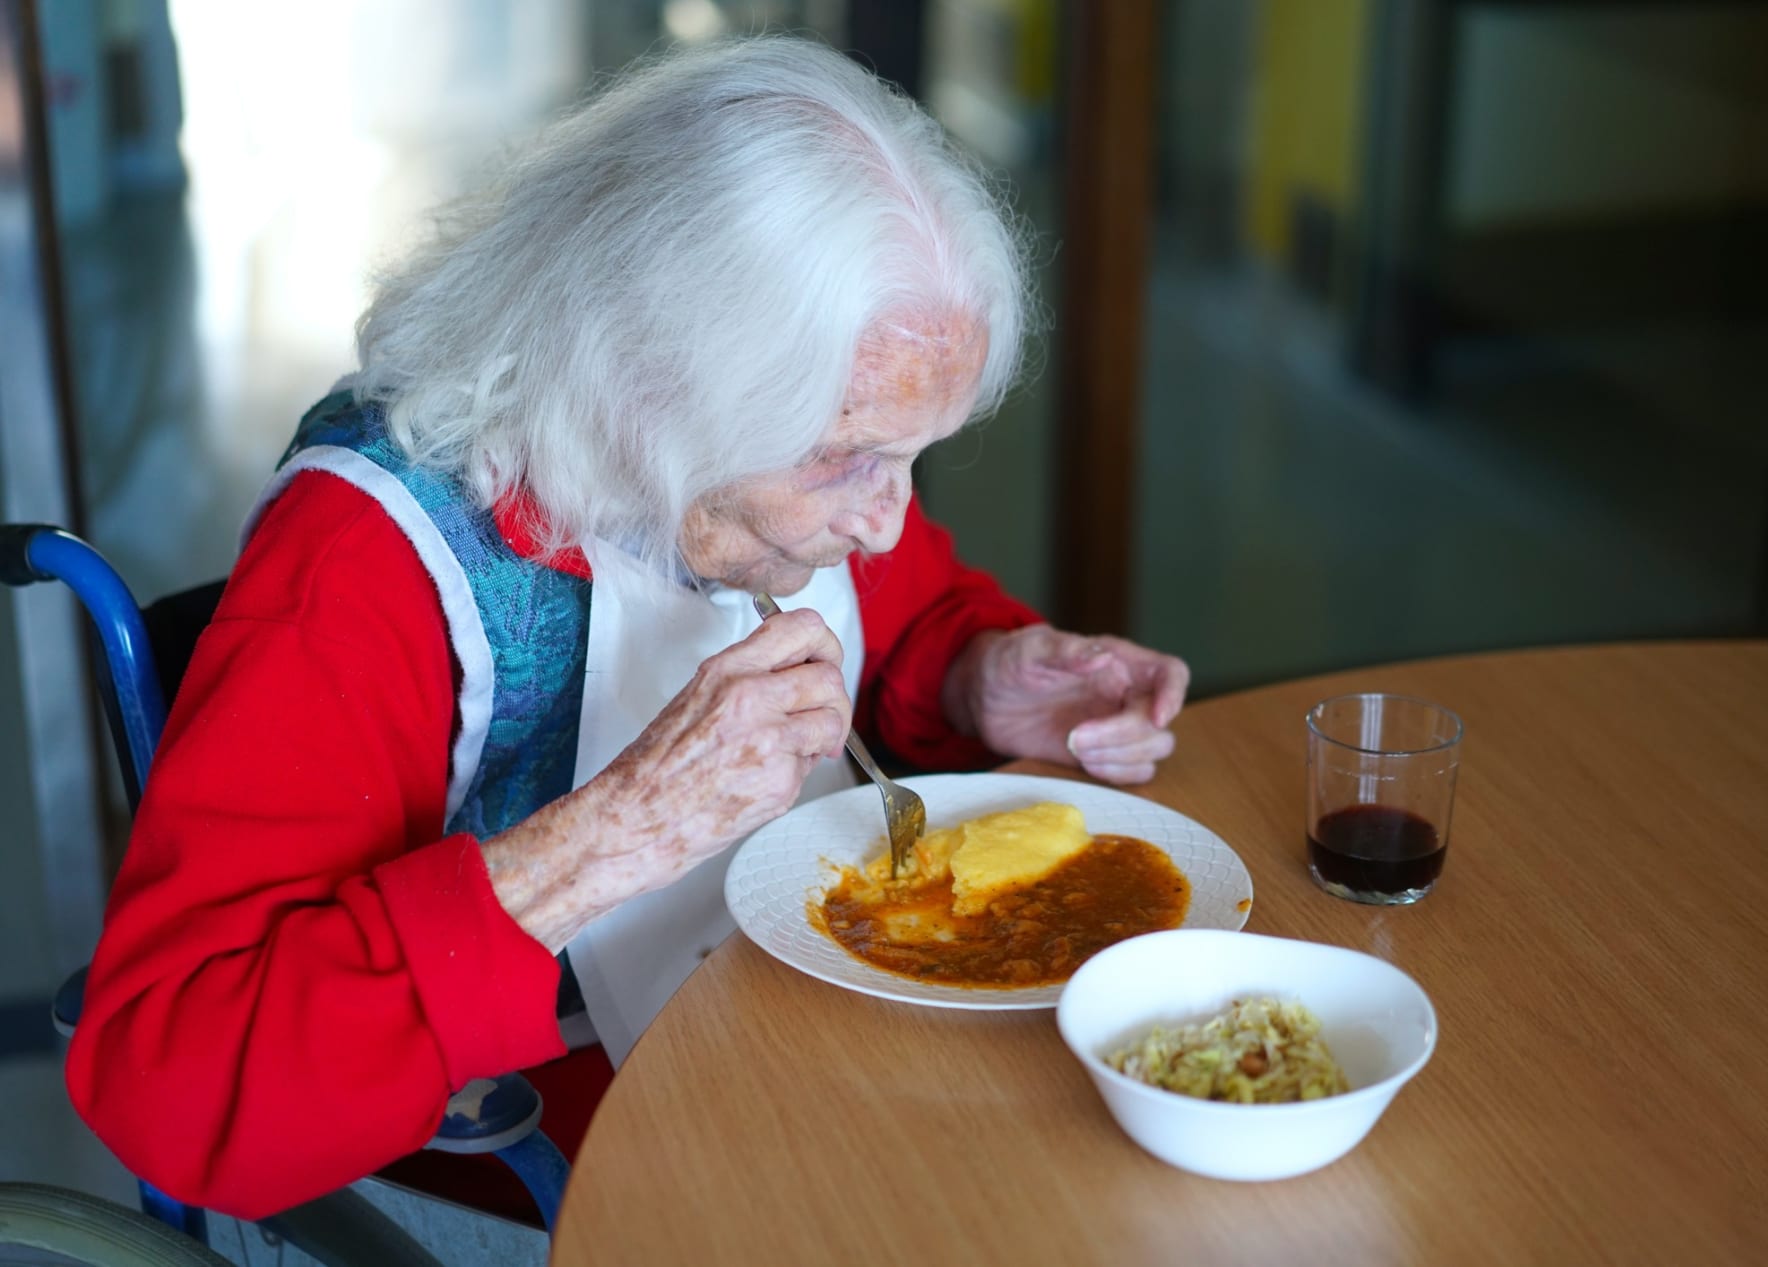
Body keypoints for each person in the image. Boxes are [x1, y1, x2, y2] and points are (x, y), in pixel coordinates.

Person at [65, 36, 1188, 1220]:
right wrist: (614, 835)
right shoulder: (365, 562)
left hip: (804, 1047)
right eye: (851, 457)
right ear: (660, 382)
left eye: (916, 456)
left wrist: (976, 674)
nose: (889, 516)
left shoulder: (785, 466)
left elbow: (904, 610)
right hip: (533, 1141)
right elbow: (177, 1079)